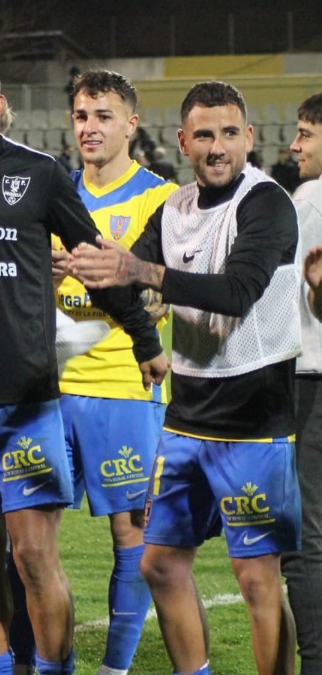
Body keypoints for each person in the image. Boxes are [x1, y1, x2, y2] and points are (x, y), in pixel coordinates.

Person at [0, 55, 168, 675]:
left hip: (26, 401)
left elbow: (97, 263)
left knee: (35, 556)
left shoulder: (39, 175)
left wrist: (145, 339)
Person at [70, 81, 301, 675]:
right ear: (183, 142)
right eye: (204, 135)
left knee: (256, 581)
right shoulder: (172, 209)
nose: (218, 146)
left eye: (229, 133)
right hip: (186, 416)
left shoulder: (266, 201)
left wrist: (140, 271)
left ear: (249, 139)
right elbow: (128, 280)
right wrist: (77, 268)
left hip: (254, 421)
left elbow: (238, 290)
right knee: (160, 564)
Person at [56, 70, 178, 675]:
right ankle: (46, 662)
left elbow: (162, 301)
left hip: (127, 390)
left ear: (130, 123)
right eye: (81, 115)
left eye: (103, 115)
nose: (90, 127)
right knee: (27, 540)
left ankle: (115, 668)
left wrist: (87, 275)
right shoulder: (54, 192)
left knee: (132, 537)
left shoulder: (161, 199)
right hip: (49, 388)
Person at [289, 91, 322, 674]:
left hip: (311, 380)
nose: (294, 146)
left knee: (305, 540)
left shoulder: (311, 198)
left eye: (306, 134)